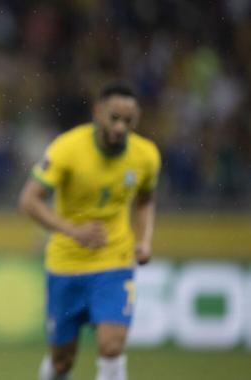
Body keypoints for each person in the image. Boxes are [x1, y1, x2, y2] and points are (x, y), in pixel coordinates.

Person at [19, 83, 161, 380]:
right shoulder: (67, 148)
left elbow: (146, 199)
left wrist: (145, 240)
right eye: (114, 118)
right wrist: (72, 230)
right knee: (62, 362)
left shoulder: (146, 155)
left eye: (128, 121)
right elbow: (29, 200)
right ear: (98, 112)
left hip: (114, 261)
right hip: (66, 264)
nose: (121, 127)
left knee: (111, 347)